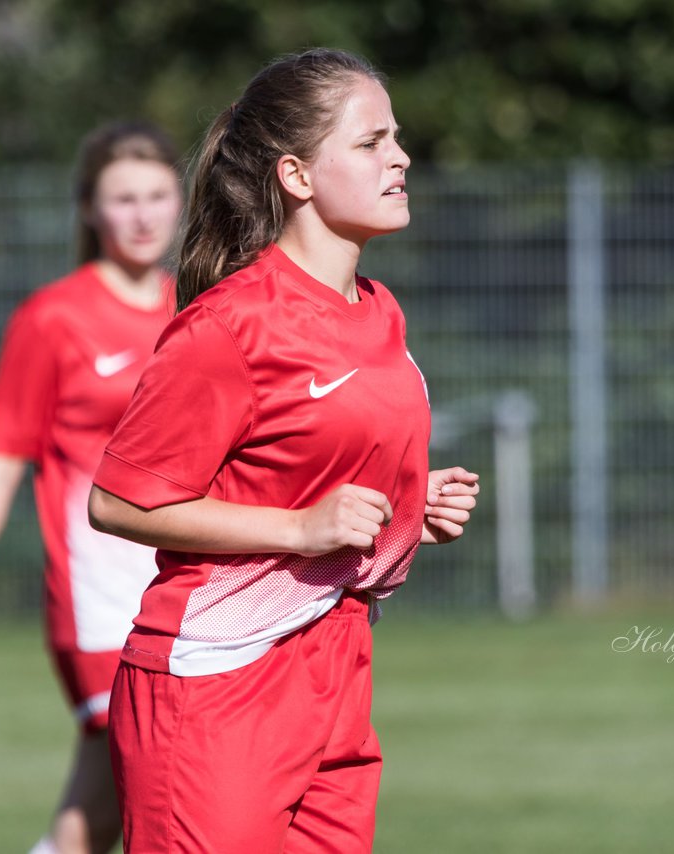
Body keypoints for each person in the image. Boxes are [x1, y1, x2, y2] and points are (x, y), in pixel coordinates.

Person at [87, 48, 481, 853]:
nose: (400, 158)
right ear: (298, 176)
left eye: (396, 139)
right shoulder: (231, 325)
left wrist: (412, 501)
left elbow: (314, 465)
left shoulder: (379, 311)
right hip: (213, 685)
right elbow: (121, 501)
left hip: (338, 670)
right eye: (370, 143)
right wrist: (301, 530)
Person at [0, 119, 184, 854]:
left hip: (182, 588)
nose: (142, 214)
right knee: (143, 788)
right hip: (97, 600)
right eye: (122, 198)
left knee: (103, 810)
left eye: (157, 194)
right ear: (91, 210)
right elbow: (1, 464)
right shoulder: (52, 319)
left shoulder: (195, 309)